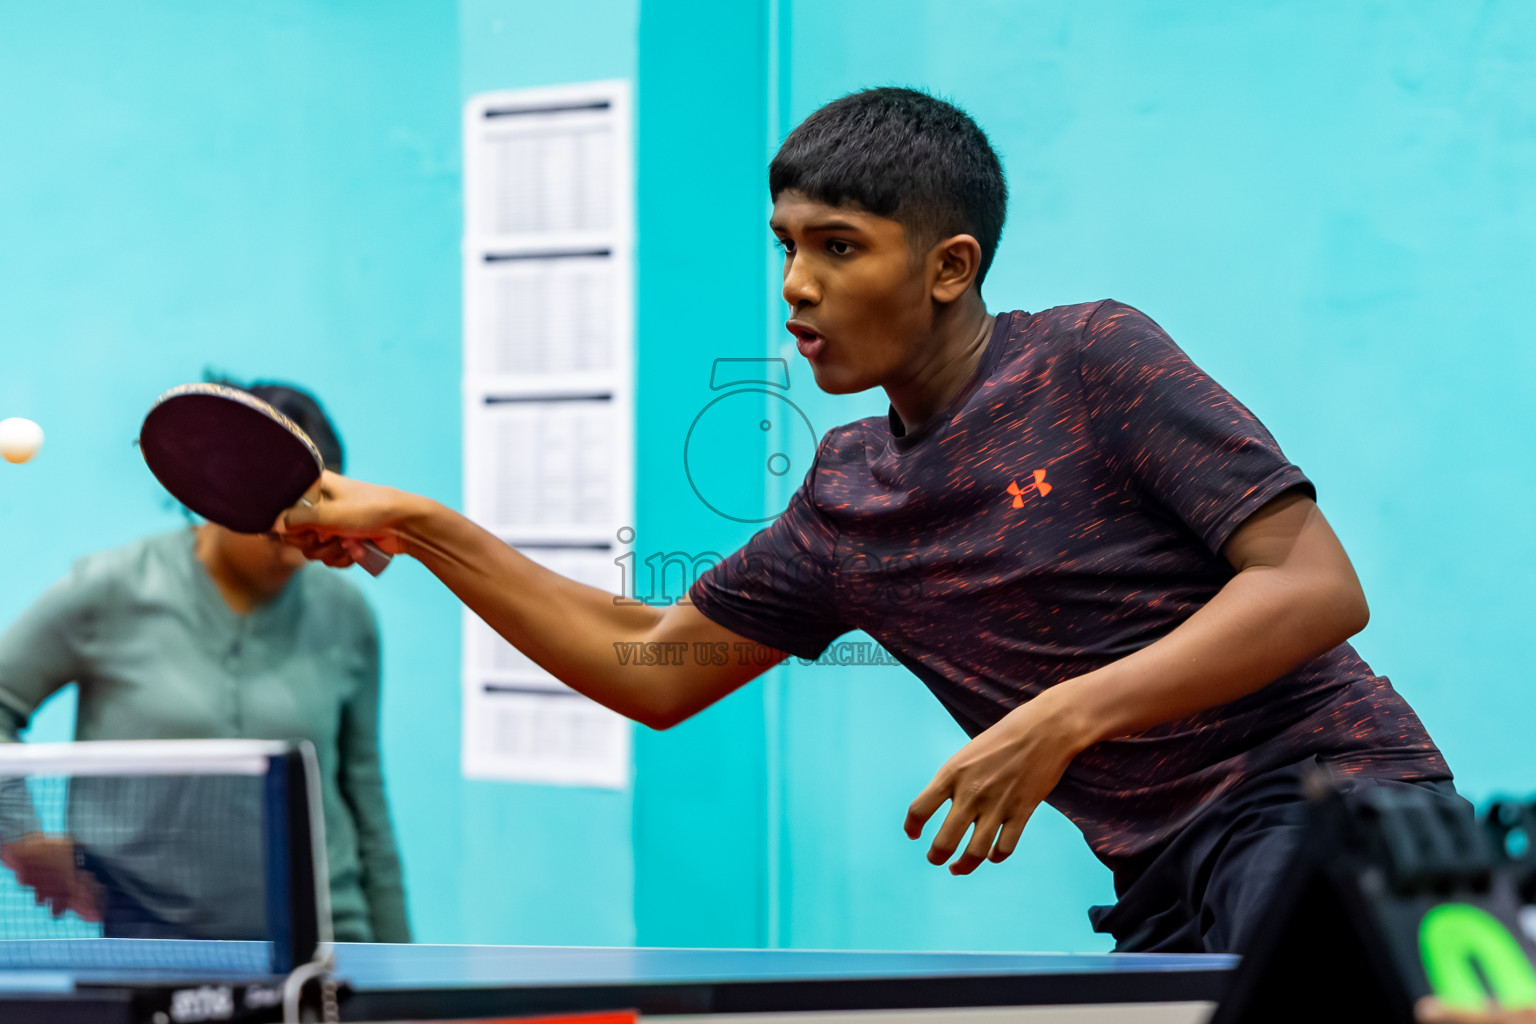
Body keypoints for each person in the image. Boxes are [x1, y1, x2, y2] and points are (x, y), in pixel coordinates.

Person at [280, 88, 1458, 954]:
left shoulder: (1092, 357)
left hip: (1339, 814)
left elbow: (1314, 588)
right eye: (788, 246)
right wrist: (431, 528)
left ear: (949, 265)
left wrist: (1062, 714)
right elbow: (651, 667)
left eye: (839, 247)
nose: (796, 283)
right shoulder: (849, 501)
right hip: (1162, 884)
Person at [0, 381, 410, 943]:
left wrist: (399, 973)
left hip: (325, 946)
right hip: (149, 947)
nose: (301, 530)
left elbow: (365, 800)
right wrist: (20, 835)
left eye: (320, 505)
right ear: (219, 491)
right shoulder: (108, 590)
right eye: (282, 505)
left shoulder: (347, 613)